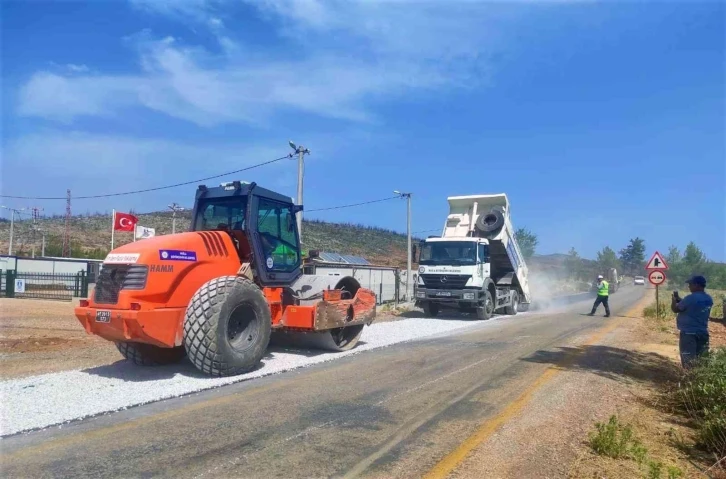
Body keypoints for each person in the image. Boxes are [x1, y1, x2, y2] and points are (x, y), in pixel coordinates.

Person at [671, 275, 714, 369]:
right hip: (703, 332)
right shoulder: (709, 299)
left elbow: (675, 309)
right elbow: (695, 306)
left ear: (697, 285)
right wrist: (681, 300)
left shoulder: (690, 298)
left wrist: (674, 301)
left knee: (688, 359)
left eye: (690, 284)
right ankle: (701, 379)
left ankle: (689, 379)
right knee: (702, 359)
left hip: (688, 333)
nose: (689, 286)